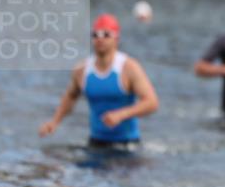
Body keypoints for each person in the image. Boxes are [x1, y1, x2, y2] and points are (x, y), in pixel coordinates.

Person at [39, 14, 159, 148]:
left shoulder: (129, 68)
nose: (100, 39)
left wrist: (121, 115)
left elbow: (152, 102)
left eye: (106, 34)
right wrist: (54, 122)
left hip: (127, 146)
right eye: (96, 35)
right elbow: (70, 97)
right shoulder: (82, 70)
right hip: (95, 143)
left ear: (116, 38)